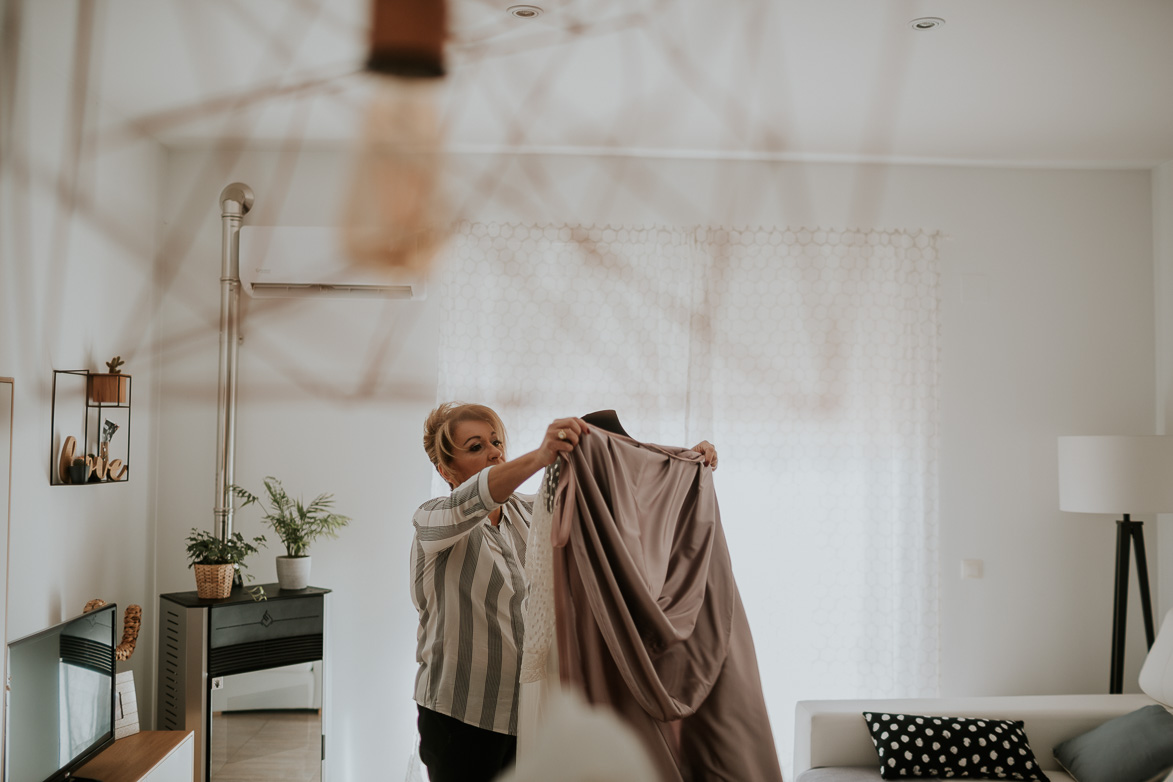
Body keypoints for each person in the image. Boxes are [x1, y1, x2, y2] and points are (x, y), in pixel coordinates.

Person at [411, 402, 716, 782]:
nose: (493, 451)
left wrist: (683, 462)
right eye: (475, 447)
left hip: (525, 713)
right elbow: (471, 500)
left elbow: (608, 499)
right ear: (445, 470)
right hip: (461, 718)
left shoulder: (531, 513)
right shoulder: (432, 519)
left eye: (496, 441)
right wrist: (540, 457)